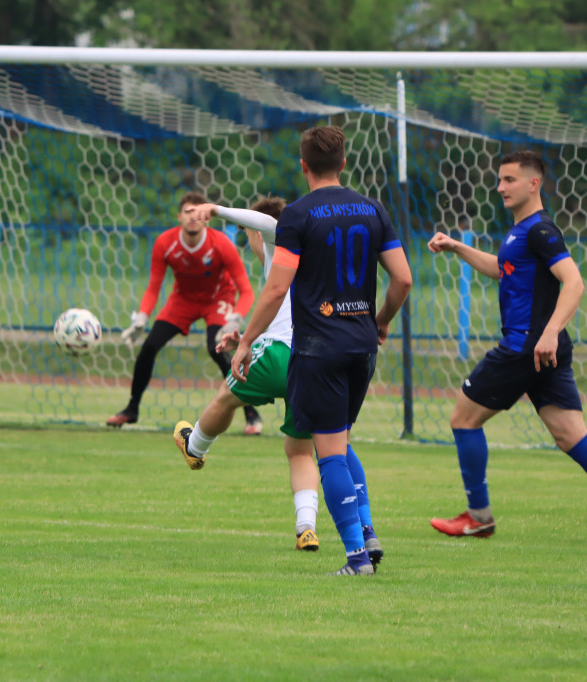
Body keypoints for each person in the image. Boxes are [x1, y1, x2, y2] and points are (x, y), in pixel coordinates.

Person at [228, 125, 412, 576]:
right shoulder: (373, 209)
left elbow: (276, 288)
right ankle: (366, 530)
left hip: (318, 349)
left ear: (304, 164)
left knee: (327, 452)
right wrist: (382, 319)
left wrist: (247, 339)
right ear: (343, 163)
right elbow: (403, 279)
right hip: (363, 347)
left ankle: (356, 557)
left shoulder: (298, 215)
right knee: (339, 440)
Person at [428, 150, 587, 538]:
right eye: (499, 180)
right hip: (541, 350)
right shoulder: (521, 231)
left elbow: (574, 282)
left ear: (534, 183)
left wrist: (549, 332)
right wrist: (457, 247)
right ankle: (478, 517)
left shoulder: (539, 230)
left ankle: (478, 517)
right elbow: (503, 269)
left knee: (463, 419)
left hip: (524, 347)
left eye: (509, 180)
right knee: (571, 435)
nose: (500, 187)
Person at [170, 196, 323, 552]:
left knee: (225, 398)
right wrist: (249, 335)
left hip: (279, 357)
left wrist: (217, 210)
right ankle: (306, 528)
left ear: (254, 233)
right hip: (314, 361)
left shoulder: (280, 241)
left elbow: (270, 225)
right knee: (300, 450)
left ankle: (194, 447)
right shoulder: (318, 254)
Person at [108, 192, 262, 434]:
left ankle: (251, 413)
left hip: (217, 298)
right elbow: (153, 287)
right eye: (188, 212)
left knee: (217, 348)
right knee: (149, 346)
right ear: (179, 216)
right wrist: (141, 318)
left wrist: (236, 317)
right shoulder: (164, 243)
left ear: (206, 218)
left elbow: (247, 291)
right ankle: (131, 409)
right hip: (183, 300)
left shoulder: (221, 243)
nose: (193, 218)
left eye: (197, 213)